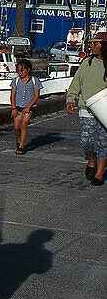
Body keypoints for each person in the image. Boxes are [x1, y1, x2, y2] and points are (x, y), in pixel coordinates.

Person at [66, 30, 107, 186]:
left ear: (104, 46)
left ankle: (99, 173)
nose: (92, 46)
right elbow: (77, 82)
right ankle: (92, 160)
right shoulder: (87, 62)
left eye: (95, 43)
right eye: (91, 43)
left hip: (104, 109)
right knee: (86, 141)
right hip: (87, 107)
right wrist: (71, 99)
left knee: (103, 142)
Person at [10, 58, 41, 155]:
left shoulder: (34, 81)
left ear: (28, 70)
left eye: (22, 70)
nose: (20, 73)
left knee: (24, 124)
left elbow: (36, 96)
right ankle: (19, 139)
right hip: (18, 106)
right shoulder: (16, 81)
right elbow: (13, 95)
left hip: (29, 107)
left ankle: (22, 145)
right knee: (16, 127)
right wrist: (13, 108)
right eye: (18, 70)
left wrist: (28, 107)